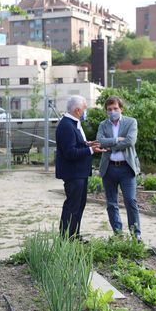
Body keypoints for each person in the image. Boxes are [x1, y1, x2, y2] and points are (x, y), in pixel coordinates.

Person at [55, 95, 104, 239]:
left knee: (79, 205)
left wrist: (87, 144)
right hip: (73, 173)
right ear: (77, 110)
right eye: (84, 109)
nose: (85, 112)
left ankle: (74, 235)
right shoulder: (66, 125)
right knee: (72, 206)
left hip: (80, 173)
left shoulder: (72, 123)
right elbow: (70, 152)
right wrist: (91, 150)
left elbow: (75, 144)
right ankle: (66, 238)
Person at [96, 96, 141, 241]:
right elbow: (100, 142)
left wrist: (109, 145)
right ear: (106, 111)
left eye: (115, 108)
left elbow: (130, 141)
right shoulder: (103, 125)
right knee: (111, 203)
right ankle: (118, 234)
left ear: (121, 108)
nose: (112, 111)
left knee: (130, 201)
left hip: (126, 168)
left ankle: (136, 234)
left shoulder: (131, 122)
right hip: (109, 168)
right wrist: (116, 140)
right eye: (109, 109)